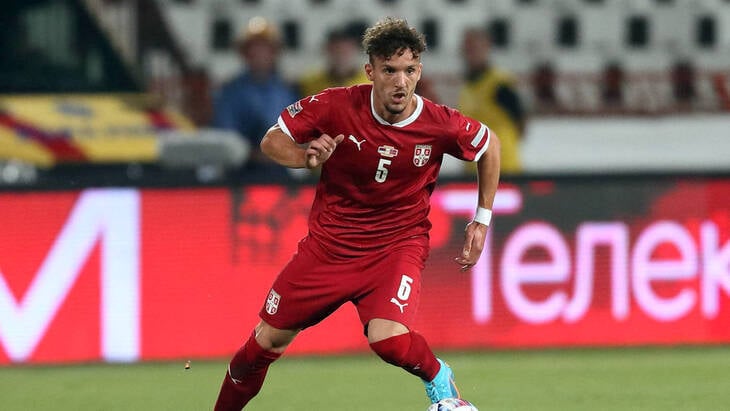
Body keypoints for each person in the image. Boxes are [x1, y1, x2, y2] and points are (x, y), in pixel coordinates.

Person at [213, 17, 501, 410]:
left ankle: (437, 375)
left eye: (409, 70)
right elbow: (272, 140)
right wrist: (305, 156)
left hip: (396, 247)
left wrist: (481, 220)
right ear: (370, 71)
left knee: (389, 340)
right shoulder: (336, 105)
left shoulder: (438, 123)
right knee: (261, 347)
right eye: (390, 70)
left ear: (419, 71)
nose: (400, 82)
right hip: (329, 249)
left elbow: (489, 145)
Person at [212, 17, 298, 180]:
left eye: (265, 48)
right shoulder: (230, 92)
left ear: (274, 53)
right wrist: (258, 153)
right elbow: (225, 139)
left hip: (281, 175)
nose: (260, 54)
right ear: (245, 54)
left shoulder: (286, 90)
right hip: (242, 175)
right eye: (254, 49)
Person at [459, 27, 525, 175]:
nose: (471, 53)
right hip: (474, 170)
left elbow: (521, 119)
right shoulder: (467, 87)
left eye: (475, 48)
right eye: (468, 49)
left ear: (487, 48)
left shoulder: (499, 83)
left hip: (503, 166)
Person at [298, 28, 370, 97]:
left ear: (355, 50)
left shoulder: (369, 83)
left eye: (345, 51)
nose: (340, 56)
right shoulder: (309, 83)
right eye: (336, 50)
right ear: (327, 51)